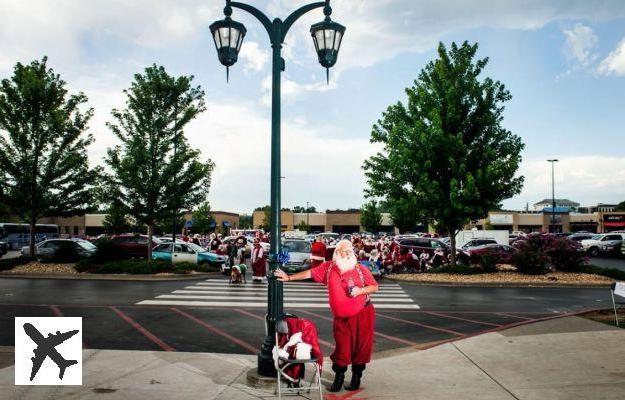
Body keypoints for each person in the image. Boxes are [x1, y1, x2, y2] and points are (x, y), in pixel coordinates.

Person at [275, 239, 378, 392]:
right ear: (337, 253)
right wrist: (290, 278)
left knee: (361, 347)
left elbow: (374, 286)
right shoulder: (328, 268)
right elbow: (310, 273)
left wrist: (360, 291)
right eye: (345, 251)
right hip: (341, 318)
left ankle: (356, 377)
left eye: (350, 251)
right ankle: (339, 377)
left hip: (363, 313)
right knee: (342, 348)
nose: (348, 254)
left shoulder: (360, 269)